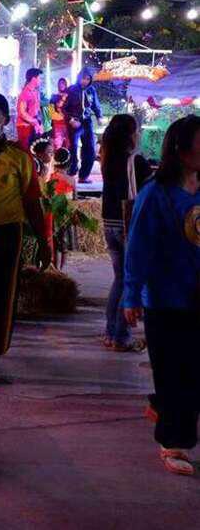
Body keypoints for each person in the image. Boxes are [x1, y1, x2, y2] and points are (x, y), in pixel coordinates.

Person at [124, 115, 200, 476]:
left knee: (192, 373)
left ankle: (163, 406)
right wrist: (131, 295)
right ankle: (173, 442)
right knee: (174, 373)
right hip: (166, 300)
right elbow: (138, 247)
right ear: (182, 151)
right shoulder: (155, 194)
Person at [0, 92, 50, 388]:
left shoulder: (19, 158)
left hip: (5, 234)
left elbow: (32, 203)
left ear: (5, 120)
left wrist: (43, 240)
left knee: (2, 296)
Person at [100, 114, 152, 353]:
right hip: (127, 224)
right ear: (130, 134)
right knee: (129, 280)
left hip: (109, 223)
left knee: (119, 279)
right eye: (136, 130)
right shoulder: (135, 161)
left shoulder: (108, 157)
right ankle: (121, 337)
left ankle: (110, 333)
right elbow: (148, 191)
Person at [64, 69, 103, 182]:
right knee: (73, 148)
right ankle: (71, 174)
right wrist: (70, 119)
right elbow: (62, 107)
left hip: (87, 121)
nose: (85, 81)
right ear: (79, 77)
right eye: (83, 78)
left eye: (87, 79)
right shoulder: (71, 90)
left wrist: (99, 116)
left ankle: (83, 176)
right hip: (74, 122)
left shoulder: (91, 90)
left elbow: (95, 105)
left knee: (90, 149)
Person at [16, 68, 45, 151]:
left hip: (32, 126)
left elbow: (37, 110)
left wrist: (39, 124)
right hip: (24, 127)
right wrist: (35, 122)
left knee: (34, 151)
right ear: (33, 79)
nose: (41, 80)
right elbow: (22, 112)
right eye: (39, 78)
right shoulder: (25, 93)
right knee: (26, 151)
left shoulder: (35, 92)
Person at [49, 78, 70, 150]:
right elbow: (51, 112)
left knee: (69, 144)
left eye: (63, 83)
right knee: (57, 145)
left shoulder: (70, 97)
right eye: (60, 83)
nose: (61, 85)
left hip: (68, 124)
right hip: (57, 124)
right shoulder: (53, 97)